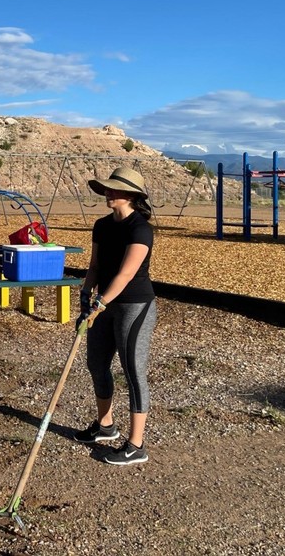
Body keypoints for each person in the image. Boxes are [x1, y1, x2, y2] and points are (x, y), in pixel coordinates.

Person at [75, 166, 157, 465]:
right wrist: (86, 296)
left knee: (133, 371)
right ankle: (105, 426)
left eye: (114, 189)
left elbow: (125, 274)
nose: (108, 192)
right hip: (102, 303)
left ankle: (136, 445)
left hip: (133, 306)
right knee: (96, 363)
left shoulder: (140, 229)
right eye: (107, 188)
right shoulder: (101, 225)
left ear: (131, 196)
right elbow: (95, 266)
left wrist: (100, 302)